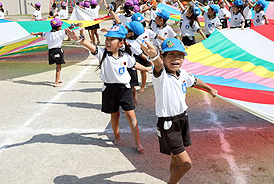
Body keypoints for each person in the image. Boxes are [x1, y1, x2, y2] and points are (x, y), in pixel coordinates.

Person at [140, 38, 218, 184]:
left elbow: (194, 81)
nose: (176, 58)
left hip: (182, 119)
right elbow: (157, 65)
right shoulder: (161, 75)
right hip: (168, 125)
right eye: (171, 55)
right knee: (186, 164)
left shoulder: (182, 74)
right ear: (163, 57)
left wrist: (209, 88)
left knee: (175, 159)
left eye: (180, 55)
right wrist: (154, 56)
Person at [66, 24, 152, 153]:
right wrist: (77, 38)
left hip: (125, 89)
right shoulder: (102, 54)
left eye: (112, 39)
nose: (108, 42)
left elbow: (134, 65)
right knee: (115, 115)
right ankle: (117, 137)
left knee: (131, 115)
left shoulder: (126, 56)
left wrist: (148, 69)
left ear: (121, 43)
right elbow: (89, 45)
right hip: (109, 90)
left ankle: (138, 142)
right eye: (107, 39)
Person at [30, 18, 74, 87]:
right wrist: (75, 25)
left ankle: (58, 79)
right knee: (58, 68)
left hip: (51, 52)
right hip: (58, 51)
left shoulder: (48, 33)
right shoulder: (61, 32)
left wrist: (34, 33)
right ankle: (56, 83)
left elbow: (41, 33)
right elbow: (68, 29)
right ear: (59, 27)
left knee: (58, 67)